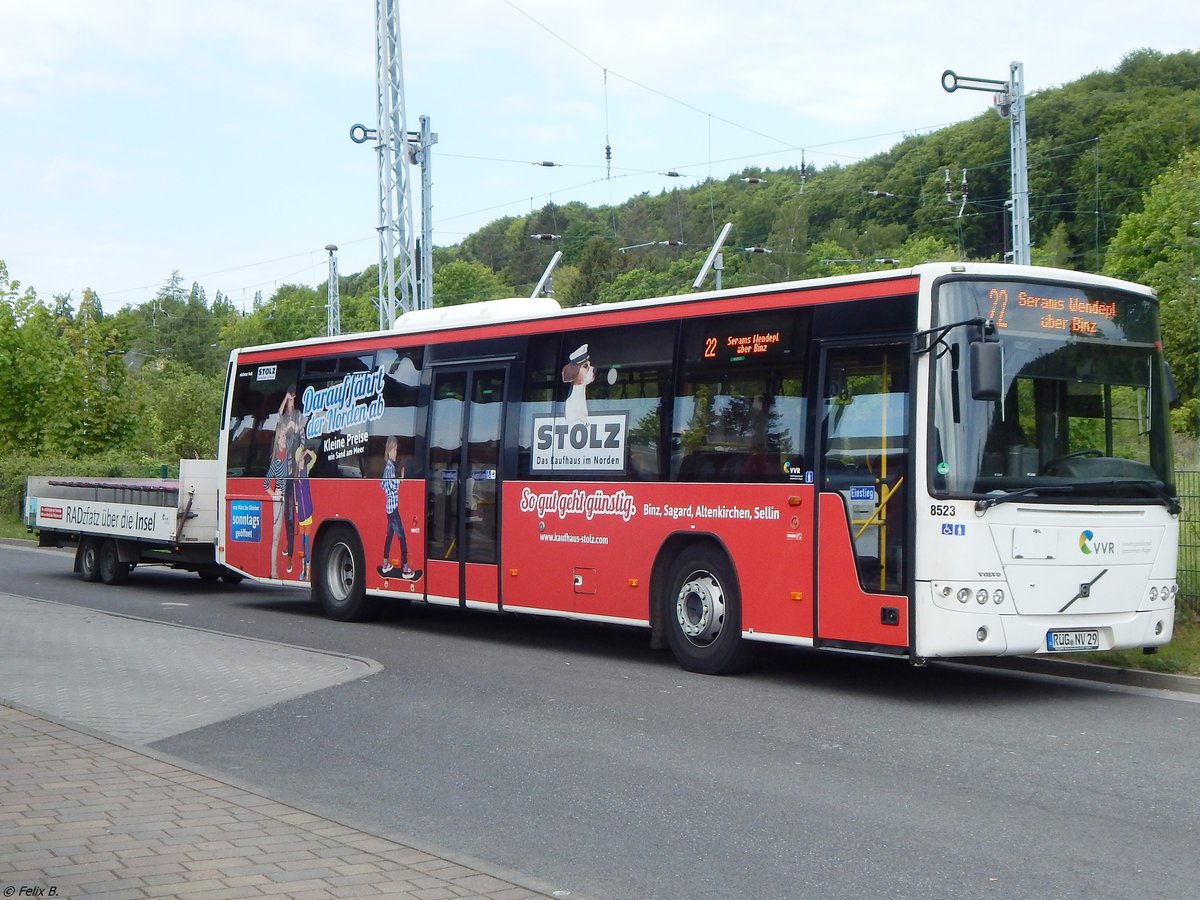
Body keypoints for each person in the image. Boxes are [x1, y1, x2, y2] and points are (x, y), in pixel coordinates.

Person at [381, 435, 414, 578]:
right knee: (402, 537)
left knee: (389, 536)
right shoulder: (390, 467)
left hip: (390, 508)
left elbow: (382, 484)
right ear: (388, 450)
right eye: (393, 450)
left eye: (396, 450)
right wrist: (401, 479)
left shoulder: (388, 467)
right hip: (393, 508)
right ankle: (405, 567)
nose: (396, 453)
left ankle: (385, 564)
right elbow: (390, 484)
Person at [293, 445, 316, 581]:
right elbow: (296, 494)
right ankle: (303, 571)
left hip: (308, 510)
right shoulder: (295, 476)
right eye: (300, 460)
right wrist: (296, 505)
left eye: (302, 460)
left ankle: (307, 572)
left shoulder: (306, 471)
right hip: (300, 512)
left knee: (307, 542)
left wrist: (307, 452)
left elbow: (314, 458)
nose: (302, 462)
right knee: (302, 542)